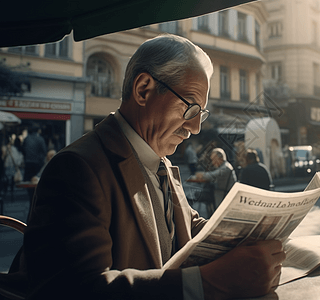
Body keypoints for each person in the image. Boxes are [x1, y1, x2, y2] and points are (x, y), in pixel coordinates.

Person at [19, 34, 285, 300]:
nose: (195, 128)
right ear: (143, 89)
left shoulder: (161, 162)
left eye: (201, 113)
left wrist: (252, 236)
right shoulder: (77, 168)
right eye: (190, 107)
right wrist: (205, 283)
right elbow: (70, 289)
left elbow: (186, 228)